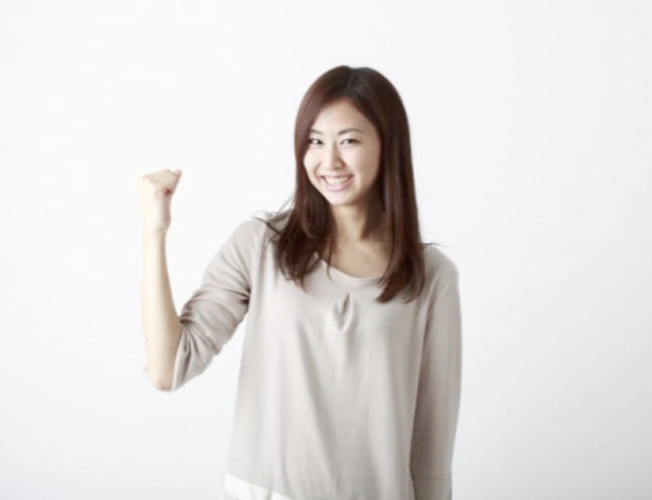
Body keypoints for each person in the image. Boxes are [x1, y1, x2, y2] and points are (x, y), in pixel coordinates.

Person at [139, 65, 462, 500]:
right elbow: (169, 368)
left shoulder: (431, 275)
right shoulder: (260, 246)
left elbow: (432, 448)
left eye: (349, 140)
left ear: (389, 145)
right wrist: (154, 232)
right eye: (315, 141)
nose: (329, 162)